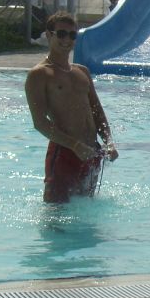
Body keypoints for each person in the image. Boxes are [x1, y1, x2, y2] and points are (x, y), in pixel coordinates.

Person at [25, 12, 118, 203]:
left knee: (85, 209)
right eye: (61, 34)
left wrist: (108, 141)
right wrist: (74, 145)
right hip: (64, 153)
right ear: (49, 35)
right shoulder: (40, 74)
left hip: (91, 152)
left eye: (72, 35)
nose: (67, 39)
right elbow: (40, 123)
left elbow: (97, 111)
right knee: (56, 213)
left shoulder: (82, 71)